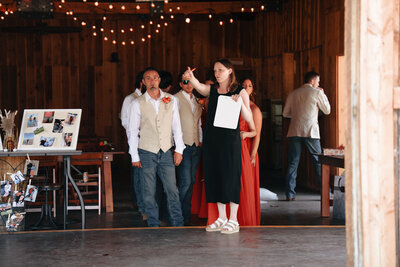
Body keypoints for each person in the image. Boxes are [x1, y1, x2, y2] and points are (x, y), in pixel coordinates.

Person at [184, 59, 255, 234]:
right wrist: (191, 78)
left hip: (229, 141)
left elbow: (248, 118)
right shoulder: (213, 90)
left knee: (230, 178)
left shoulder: (240, 91)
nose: (217, 73)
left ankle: (234, 220)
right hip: (212, 140)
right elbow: (200, 87)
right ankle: (222, 218)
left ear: (230, 71)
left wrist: (239, 103)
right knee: (214, 177)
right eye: (215, 70)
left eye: (221, 70)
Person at [128, 67, 185, 227]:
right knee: (148, 191)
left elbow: (177, 127)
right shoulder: (136, 103)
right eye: (148, 78)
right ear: (143, 82)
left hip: (167, 150)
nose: (152, 81)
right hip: (146, 151)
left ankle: (177, 222)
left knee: (172, 189)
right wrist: (134, 156)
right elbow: (132, 131)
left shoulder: (171, 100)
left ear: (159, 80)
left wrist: (179, 149)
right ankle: (153, 224)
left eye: (155, 78)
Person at [283, 71, 331, 201]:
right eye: (318, 82)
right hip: (311, 132)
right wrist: (323, 93)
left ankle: (290, 194)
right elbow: (327, 110)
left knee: (293, 163)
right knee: (319, 163)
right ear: (312, 81)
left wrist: (298, 116)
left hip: (294, 131)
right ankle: (326, 194)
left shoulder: (293, 93)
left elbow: (285, 113)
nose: (319, 84)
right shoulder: (317, 93)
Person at [174, 72, 203, 225]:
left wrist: (200, 140)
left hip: (195, 145)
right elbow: (172, 124)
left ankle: (185, 216)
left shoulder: (197, 100)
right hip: (182, 146)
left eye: (190, 81)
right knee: (184, 182)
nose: (188, 85)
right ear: (180, 84)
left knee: (191, 181)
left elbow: (197, 123)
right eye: (185, 82)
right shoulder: (175, 99)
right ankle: (176, 215)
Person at [121, 70, 145, 217]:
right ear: (142, 82)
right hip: (137, 139)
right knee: (138, 174)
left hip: (151, 141)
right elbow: (124, 120)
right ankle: (140, 205)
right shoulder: (130, 99)